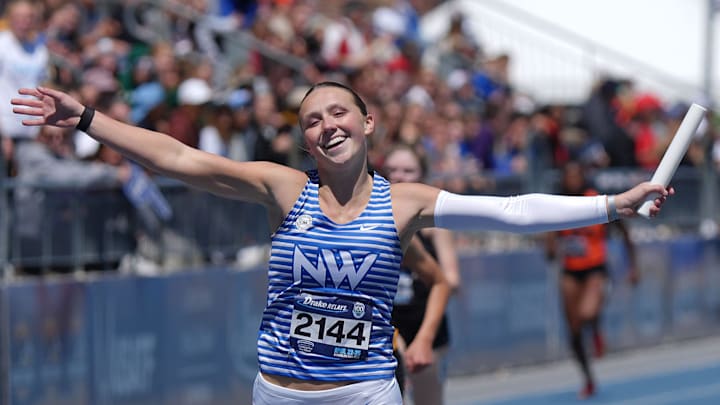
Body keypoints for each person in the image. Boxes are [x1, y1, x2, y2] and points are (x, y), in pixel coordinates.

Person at [12, 81, 672, 404]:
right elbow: (176, 158)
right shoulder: (281, 188)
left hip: (362, 393)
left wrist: (613, 204)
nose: (327, 124)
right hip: (278, 391)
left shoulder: (406, 201)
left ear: (367, 121)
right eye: (311, 120)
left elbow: (512, 210)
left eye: (338, 111)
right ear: (304, 141)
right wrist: (92, 121)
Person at [545, 161, 639, 400]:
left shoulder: (597, 200)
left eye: (577, 174)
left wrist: (633, 266)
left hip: (596, 268)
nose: (573, 179)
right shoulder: (559, 204)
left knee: (587, 314)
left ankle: (596, 328)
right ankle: (588, 378)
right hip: (570, 270)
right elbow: (549, 238)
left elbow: (624, 232)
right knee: (573, 330)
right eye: (569, 175)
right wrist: (551, 245)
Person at [383, 143, 460, 405]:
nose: (399, 176)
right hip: (386, 329)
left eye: (408, 170)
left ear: (421, 176)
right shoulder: (372, 219)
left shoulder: (436, 227)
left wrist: (424, 337)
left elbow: (450, 279)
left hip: (426, 326)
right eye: (392, 170)